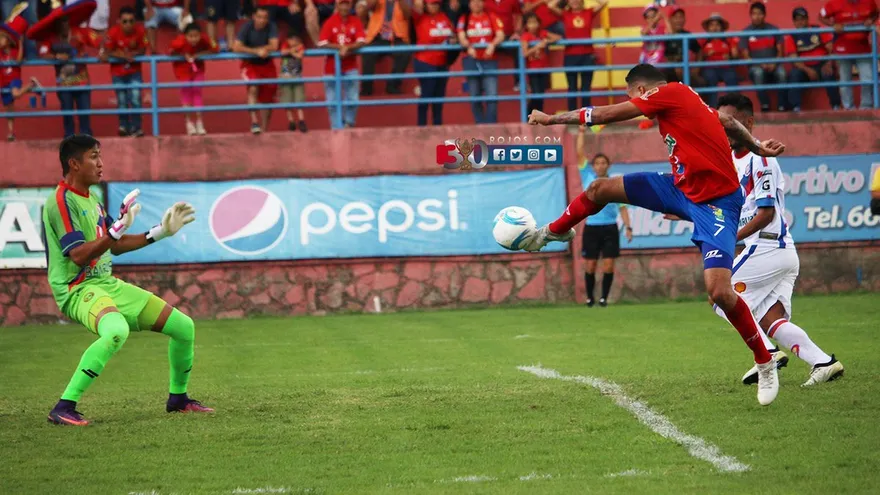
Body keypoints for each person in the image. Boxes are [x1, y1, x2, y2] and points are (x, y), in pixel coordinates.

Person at [525, 64, 786, 405]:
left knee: (719, 291)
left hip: (717, 203)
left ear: (642, 89)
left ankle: (764, 361)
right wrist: (756, 146)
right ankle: (552, 233)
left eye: (632, 95)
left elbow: (605, 113)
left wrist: (551, 119)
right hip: (678, 188)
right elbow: (728, 122)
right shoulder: (687, 98)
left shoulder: (670, 92)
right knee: (599, 189)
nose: (634, 102)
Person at [44, 134, 213, 426]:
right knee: (115, 331)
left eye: (100, 156)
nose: (101, 163)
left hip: (106, 286)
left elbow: (116, 244)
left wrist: (160, 231)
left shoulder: (91, 198)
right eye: (93, 156)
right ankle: (64, 406)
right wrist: (116, 230)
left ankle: (178, 400)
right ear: (74, 163)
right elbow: (79, 256)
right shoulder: (60, 200)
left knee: (183, 327)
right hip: (77, 289)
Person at [713, 93, 844, 387]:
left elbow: (765, 213)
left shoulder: (761, 158)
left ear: (748, 123)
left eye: (730, 122)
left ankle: (768, 354)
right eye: (721, 123)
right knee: (770, 320)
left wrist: (730, 237)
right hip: (777, 250)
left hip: (768, 245)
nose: (724, 129)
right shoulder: (730, 161)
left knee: (719, 294)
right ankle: (824, 362)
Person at [576, 138, 632, 307]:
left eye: (603, 163)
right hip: (592, 227)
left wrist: (628, 227)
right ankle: (589, 298)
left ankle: (603, 298)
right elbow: (579, 153)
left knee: (608, 265)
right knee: (590, 265)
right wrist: (581, 132)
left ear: (608, 165)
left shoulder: (615, 184)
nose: (600, 165)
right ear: (593, 166)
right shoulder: (587, 176)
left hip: (610, 228)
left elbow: (622, 208)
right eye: (597, 163)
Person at [36, 16, 101, 137]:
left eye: (66, 23)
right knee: (67, 114)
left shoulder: (81, 32)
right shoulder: (51, 38)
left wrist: (89, 53)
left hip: (82, 82)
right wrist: (56, 57)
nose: (64, 27)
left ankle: (86, 139)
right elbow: (43, 53)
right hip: (64, 84)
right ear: (56, 26)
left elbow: (99, 43)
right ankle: (69, 140)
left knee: (85, 113)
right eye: (60, 24)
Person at [548, 0, 606, 113]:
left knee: (586, 89)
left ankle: (585, 118)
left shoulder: (588, 12)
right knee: (572, 89)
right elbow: (550, 5)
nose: (575, 1)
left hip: (587, 55)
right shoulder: (565, 14)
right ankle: (573, 117)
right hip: (570, 56)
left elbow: (604, 3)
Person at [819, 0, 878, 110]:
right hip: (843, 48)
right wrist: (833, 24)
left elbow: (876, 13)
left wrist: (871, 20)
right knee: (845, 80)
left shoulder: (869, 2)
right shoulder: (834, 3)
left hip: (862, 47)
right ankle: (848, 107)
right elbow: (821, 16)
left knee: (868, 78)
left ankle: (866, 107)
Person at [318, 0, 365, 129]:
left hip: (350, 66)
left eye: (347, 4)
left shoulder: (356, 21)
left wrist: (347, 48)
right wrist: (340, 47)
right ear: (337, 6)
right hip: (331, 68)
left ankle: (349, 124)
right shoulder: (330, 21)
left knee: (353, 98)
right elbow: (322, 43)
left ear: (351, 5)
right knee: (332, 101)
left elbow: (361, 41)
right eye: (341, 4)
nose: (344, 6)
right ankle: (336, 126)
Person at [456, 0, 504, 124]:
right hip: (471, 61)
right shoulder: (464, 19)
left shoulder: (491, 16)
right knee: (474, 95)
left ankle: (491, 125)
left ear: (483, 3)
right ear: (469, 4)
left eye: (479, 1)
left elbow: (500, 34)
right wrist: (468, 46)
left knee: (492, 95)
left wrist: (492, 45)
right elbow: (461, 37)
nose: (476, 4)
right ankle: (480, 124)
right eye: (473, 2)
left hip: (490, 60)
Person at [104, 6, 149, 137]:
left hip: (135, 72)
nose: (128, 24)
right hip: (118, 74)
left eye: (131, 21)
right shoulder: (112, 32)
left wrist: (134, 54)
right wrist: (124, 56)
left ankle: (136, 127)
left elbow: (143, 49)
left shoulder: (140, 31)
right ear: (119, 21)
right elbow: (108, 51)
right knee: (122, 100)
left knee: (135, 99)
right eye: (125, 21)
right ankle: (123, 126)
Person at [233, 6, 279, 134]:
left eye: (265, 17)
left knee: (268, 99)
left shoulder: (272, 26)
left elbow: (274, 45)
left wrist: (265, 49)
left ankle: (264, 129)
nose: (262, 20)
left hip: (267, 65)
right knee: (253, 87)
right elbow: (236, 47)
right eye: (259, 17)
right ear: (254, 16)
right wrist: (255, 51)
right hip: (250, 64)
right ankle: (254, 122)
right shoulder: (246, 27)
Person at [785, 7, 841, 111]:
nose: (800, 22)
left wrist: (828, 63)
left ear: (807, 19)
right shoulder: (791, 37)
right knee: (794, 74)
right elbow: (794, 60)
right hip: (805, 68)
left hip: (822, 64)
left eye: (803, 19)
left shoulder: (818, 30)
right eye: (797, 19)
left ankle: (836, 106)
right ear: (794, 22)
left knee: (828, 73)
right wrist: (808, 70)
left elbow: (831, 49)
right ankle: (796, 108)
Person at [169, 22, 218, 135]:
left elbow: (215, 49)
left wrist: (198, 55)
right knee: (186, 93)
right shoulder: (179, 41)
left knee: (197, 91)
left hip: (198, 69)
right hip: (182, 70)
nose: (194, 39)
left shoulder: (205, 39)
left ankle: (199, 122)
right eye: (190, 36)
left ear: (200, 35)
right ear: (185, 36)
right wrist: (183, 55)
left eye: (196, 36)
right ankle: (188, 123)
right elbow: (171, 52)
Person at [412, 0, 454, 126]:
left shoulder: (444, 17)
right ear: (426, 5)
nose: (434, 6)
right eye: (431, 3)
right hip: (425, 62)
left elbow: (452, 34)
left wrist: (452, 40)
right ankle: (421, 127)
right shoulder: (419, 17)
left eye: (436, 3)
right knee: (427, 94)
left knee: (439, 98)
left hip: (442, 62)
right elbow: (411, 8)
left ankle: (438, 126)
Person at [740, 1, 788, 112]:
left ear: (764, 15)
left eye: (759, 13)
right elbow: (746, 56)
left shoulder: (774, 30)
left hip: (774, 65)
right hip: (756, 67)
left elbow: (780, 53)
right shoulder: (745, 32)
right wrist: (760, 64)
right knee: (758, 73)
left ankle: (782, 106)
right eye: (754, 14)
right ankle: (765, 105)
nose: (757, 17)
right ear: (750, 15)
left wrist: (774, 64)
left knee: (782, 73)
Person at [0, 2, 36, 142]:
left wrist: (20, 42)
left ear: (8, 41)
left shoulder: (15, 51)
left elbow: (19, 60)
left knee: (15, 94)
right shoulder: (1, 53)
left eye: (1, 38)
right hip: (3, 81)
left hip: (14, 79)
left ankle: (31, 84)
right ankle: (11, 132)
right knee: (9, 108)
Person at [360, 0, 412, 96]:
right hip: (378, 37)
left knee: (405, 52)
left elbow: (408, 14)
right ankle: (366, 88)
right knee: (367, 52)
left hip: (397, 37)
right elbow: (366, 10)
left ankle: (393, 86)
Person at [519, 12, 559, 115]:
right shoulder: (525, 36)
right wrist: (537, 46)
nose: (533, 25)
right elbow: (524, 53)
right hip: (533, 70)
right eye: (530, 23)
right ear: (526, 25)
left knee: (541, 95)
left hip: (543, 68)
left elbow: (558, 37)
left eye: (535, 22)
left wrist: (546, 41)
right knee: (536, 94)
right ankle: (529, 115)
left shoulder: (542, 33)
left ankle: (539, 117)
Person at [699, 13, 739, 109]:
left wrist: (730, 56)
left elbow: (736, 56)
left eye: (717, 25)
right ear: (708, 28)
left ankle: (733, 108)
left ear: (722, 27)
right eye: (712, 25)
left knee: (732, 76)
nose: (715, 27)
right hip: (710, 69)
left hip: (726, 68)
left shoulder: (729, 40)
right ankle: (712, 109)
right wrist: (705, 55)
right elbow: (699, 58)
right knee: (710, 78)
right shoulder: (703, 41)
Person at [483, 0, 522, 90]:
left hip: (508, 36)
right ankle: (482, 84)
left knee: (519, 50)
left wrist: (517, 32)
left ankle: (519, 82)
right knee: (481, 51)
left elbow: (519, 16)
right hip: (490, 37)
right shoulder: (484, 1)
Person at [663, 6, 701, 85]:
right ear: (670, 20)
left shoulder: (687, 35)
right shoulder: (663, 35)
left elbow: (699, 50)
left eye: (681, 17)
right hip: (666, 71)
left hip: (684, 71)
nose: (679, 20)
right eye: (675, 17)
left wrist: (697, 68)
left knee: (701, 83)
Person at [279, 32, 307, 132]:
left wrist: (291, 52)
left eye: (296, 40)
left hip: (297, 77)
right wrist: (292, 50)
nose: (294, 42)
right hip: (285, 77)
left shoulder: (301, 46)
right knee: (287, 100)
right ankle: (291, 121)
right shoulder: (285, 45)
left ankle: (301, 120)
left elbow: (300, 56)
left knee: (299, 99)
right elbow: (283, 52)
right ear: (288, 40)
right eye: (292, 40)